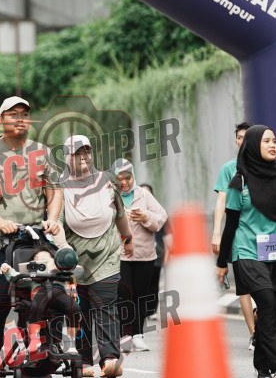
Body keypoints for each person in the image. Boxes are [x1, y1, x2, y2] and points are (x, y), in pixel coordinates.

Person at [0, 96, 63, 357]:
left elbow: (54, 189)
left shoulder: (42, 151)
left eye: (24, 114)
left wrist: (53, 218)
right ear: (1, 120)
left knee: (47, 289)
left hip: (34, 239)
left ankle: (45, 342)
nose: (20, 119)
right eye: (13, 114)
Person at [216, 125, 276, 378]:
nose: (272, 145)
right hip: (247, 253)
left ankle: (262, 368)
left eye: (275, 140)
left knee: (271, 312)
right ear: (253, 145)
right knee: (267, 303)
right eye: (266, 141)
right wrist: (222, 262)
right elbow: (231, 225)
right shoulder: (239, 182)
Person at [57, 135, 133, 377]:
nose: (84, 157)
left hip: (106, 256)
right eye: (77, 153)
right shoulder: (59, 188)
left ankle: (110, 359)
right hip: (75, 261)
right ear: (67, 158)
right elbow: (56, 223)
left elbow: (120, 213)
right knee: (79, 311)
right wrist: (64, 249)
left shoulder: (107, 182)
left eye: (87, 152)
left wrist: (127, 238)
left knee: (105, 305)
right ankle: (84, 362)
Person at [112, 159, 167, 352]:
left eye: (127, 178)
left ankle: (138, 335)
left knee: (141, 296)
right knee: (124, 294)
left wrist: (145, 217)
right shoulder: (110, 195)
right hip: (120, 254)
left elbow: (161, 217)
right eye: (120, 179)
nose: (124, 182)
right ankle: (124, 335)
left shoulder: (144, 194)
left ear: (133, 176)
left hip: (144, 254)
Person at [212, 121, 258, 348]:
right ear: (236, 141)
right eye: (239, 137)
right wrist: (216, 233)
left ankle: (263, 319)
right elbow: (222, 201)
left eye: (246, 137)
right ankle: (254, 334)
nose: (242, 141)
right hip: (239, 236)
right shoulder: (229, 169)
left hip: (264, 236)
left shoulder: (267, 166)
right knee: (244, 287)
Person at [0, 247, 80, 352]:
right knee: (36, 307)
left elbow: (78, 271)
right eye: (40, 261)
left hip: (58, 294)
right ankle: (34, 339)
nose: (44, 263)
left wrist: (65, 265)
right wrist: (8, 270)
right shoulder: (32, 278)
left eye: (47, 260)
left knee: (75, 308)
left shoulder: (61, 274)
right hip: (40, 294)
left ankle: (71, 341)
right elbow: (16, 278)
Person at [139, 183, 172, 322]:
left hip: (156, 254)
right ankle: (140, 309)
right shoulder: (133, 212)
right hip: (138, 254)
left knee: (153, 284)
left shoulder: (159, 213)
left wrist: (168, 255)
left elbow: (168, 236)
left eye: (148, 193)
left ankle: (151, 310)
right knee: (140, 284)